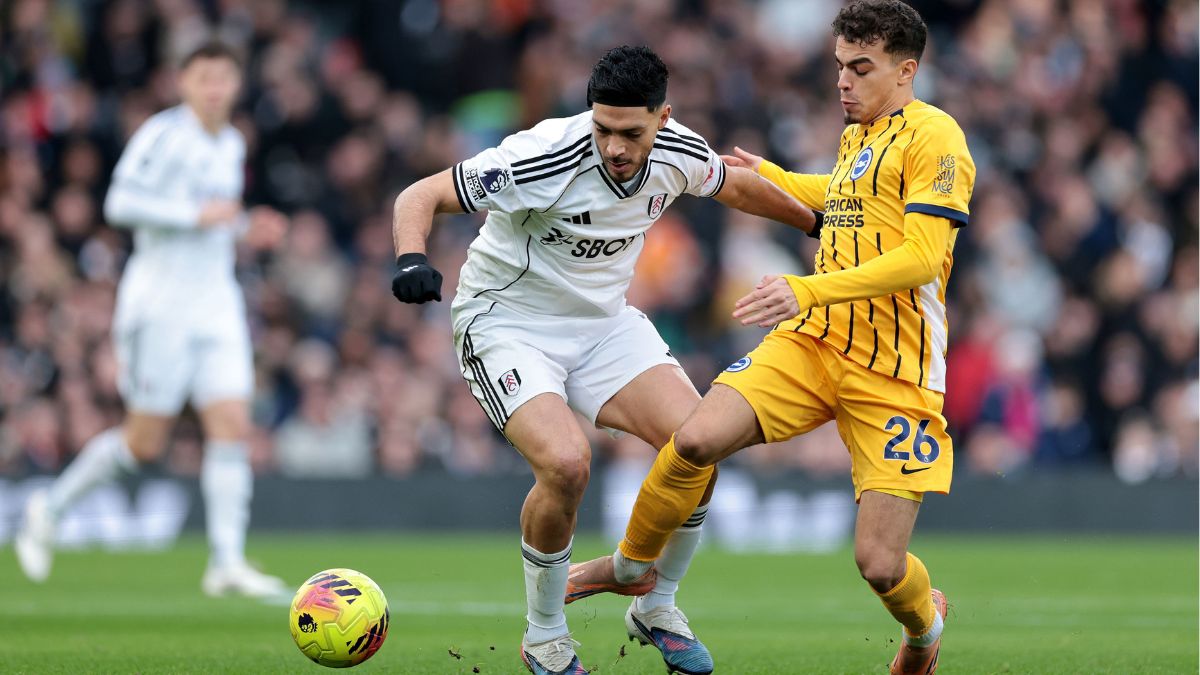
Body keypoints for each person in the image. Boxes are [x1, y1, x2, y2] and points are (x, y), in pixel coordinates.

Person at [568, 3, 976, 674]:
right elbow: (847, 197)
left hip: (895, 372)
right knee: (695, 437)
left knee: (878, 563)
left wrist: (806, 286)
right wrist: (779, 176)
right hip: (814, 342)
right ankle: (633, 568)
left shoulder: (938, 138)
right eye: (840, 66)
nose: (843, 81)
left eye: (861, 68)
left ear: (907, 70)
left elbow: (921, 256)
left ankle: (925, 626)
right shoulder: (862, 134)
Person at [390, 45, 816, 675]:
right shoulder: (542, 155)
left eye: (632, 133)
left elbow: (739, 187)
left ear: (663, 118)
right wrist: (410, 258)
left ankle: (657, 607)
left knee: (700, 441)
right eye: (604, 129)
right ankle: (545, 637)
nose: (615, 147)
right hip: (506, 322)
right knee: (566, 463)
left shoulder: (681, 151)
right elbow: (419, 194)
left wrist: (816, 224)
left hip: (602, 324)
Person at [15, 41, 290, 599]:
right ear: (184, 83)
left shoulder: (232, 143)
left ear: (236, 86)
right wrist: (197, 215)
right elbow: (118, 204)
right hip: (160, 305)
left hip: (216, 301)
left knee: (232, 422)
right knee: (144, 443)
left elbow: (216, 220)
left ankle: (226, 562)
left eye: (224, 79)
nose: (214, 89)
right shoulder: (163, 136)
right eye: (204, 78)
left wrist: (244, 228)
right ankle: (49, 508)